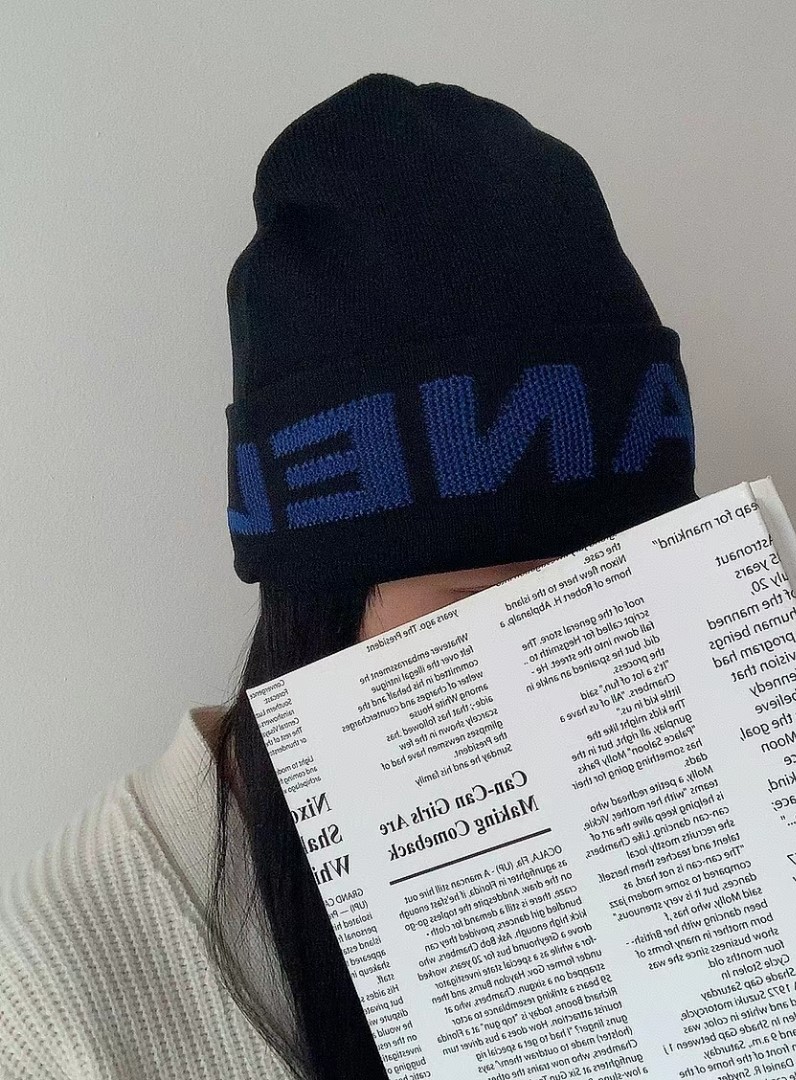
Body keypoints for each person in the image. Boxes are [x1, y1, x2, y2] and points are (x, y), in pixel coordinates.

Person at [0, 73, 697, 1079]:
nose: (583, 652)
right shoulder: (60, 992)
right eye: (495, 605)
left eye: (630, 580)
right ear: (318, 603)